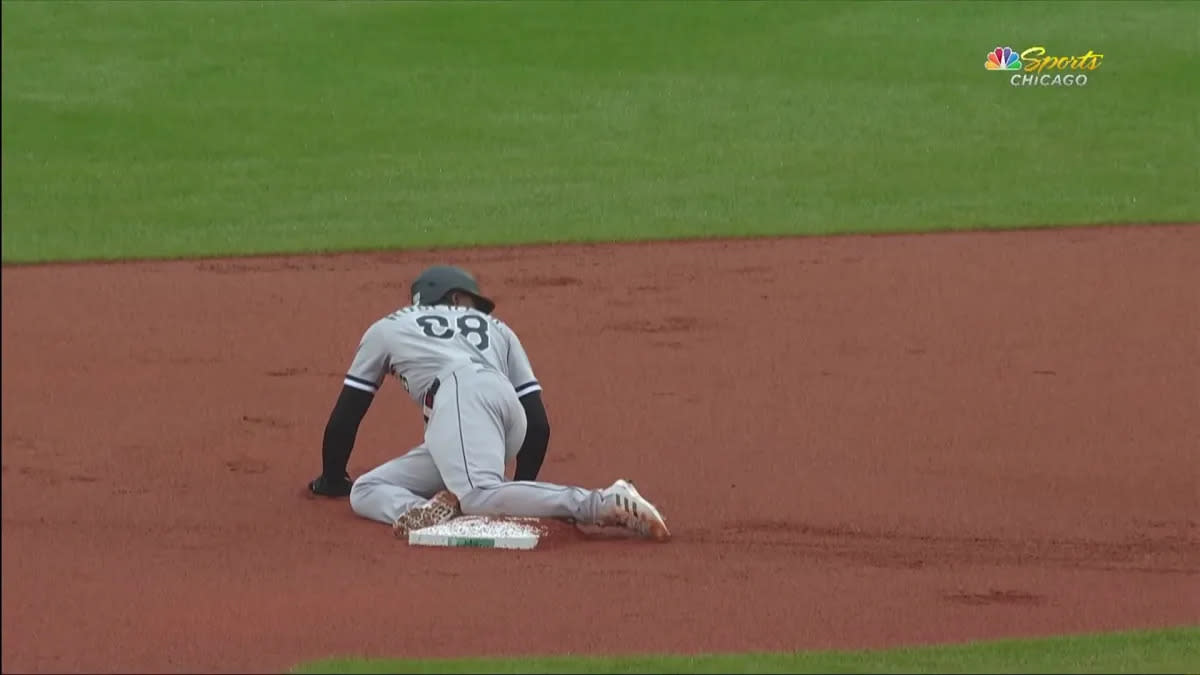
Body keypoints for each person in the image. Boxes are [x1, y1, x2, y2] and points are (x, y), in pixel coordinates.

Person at [306, 265, 670, 541]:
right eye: (473, 300)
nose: (479, 309)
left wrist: (331, 478)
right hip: (497, 417)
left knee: (480, 494)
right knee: (366, 491)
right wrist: (519, 493)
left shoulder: (387, 327)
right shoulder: (500, 330)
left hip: (461, 399)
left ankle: (599, 503)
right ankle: (425, 512)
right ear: (453, 298)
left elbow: (347, 414)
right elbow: (538, 424)